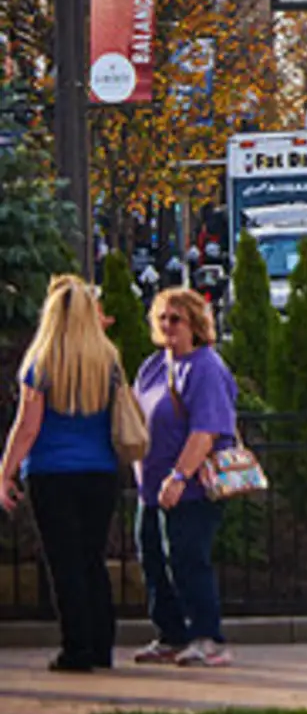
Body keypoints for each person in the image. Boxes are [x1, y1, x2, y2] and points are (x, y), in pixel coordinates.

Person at [0, 276, 124, 671]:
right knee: (92, 559)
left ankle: (77, 648)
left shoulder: (42, 362)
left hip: (53, 473)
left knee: (64, 562)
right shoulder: (107, 360)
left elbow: (28, 427)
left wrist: (5, 472)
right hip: (101, 471)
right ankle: (102, 646)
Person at [132, 287, 239, 668]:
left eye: (175, 318)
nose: (167, 326)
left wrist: (179, 476)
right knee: (154, 560)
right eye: (161, 318)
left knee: (188, 559)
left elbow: (206, 430)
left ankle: (206, 637)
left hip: (191, 489)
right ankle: (171, 634)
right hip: (150, 487)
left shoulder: (206, 368)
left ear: (195, 323)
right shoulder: (153, 366)